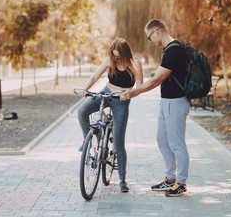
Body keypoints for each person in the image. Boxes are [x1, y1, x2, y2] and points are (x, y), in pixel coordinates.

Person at [121, 19, 190, 197]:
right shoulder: (169, 50)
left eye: (149, 36)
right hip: (166, 101)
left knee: (176, 144)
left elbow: (156, 80)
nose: (150, 41)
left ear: (157, 31)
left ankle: (181, 183)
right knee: (162, 140)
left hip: (175, 102)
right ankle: (170, 180)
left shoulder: (174, 50)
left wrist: (135, 92)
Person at [77, 38, 143, 193]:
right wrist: (84, 89)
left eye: (119, 56)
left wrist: (130, 93)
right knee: (82, 111)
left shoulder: (136, 63)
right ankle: (89, 142)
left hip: (122, 100)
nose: (116, 59)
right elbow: (94, 76)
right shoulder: (110, 60)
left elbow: (140, 87)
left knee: (119, 141)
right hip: (106, 93)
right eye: (114, 56)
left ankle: (122, 179)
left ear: (126, 53)